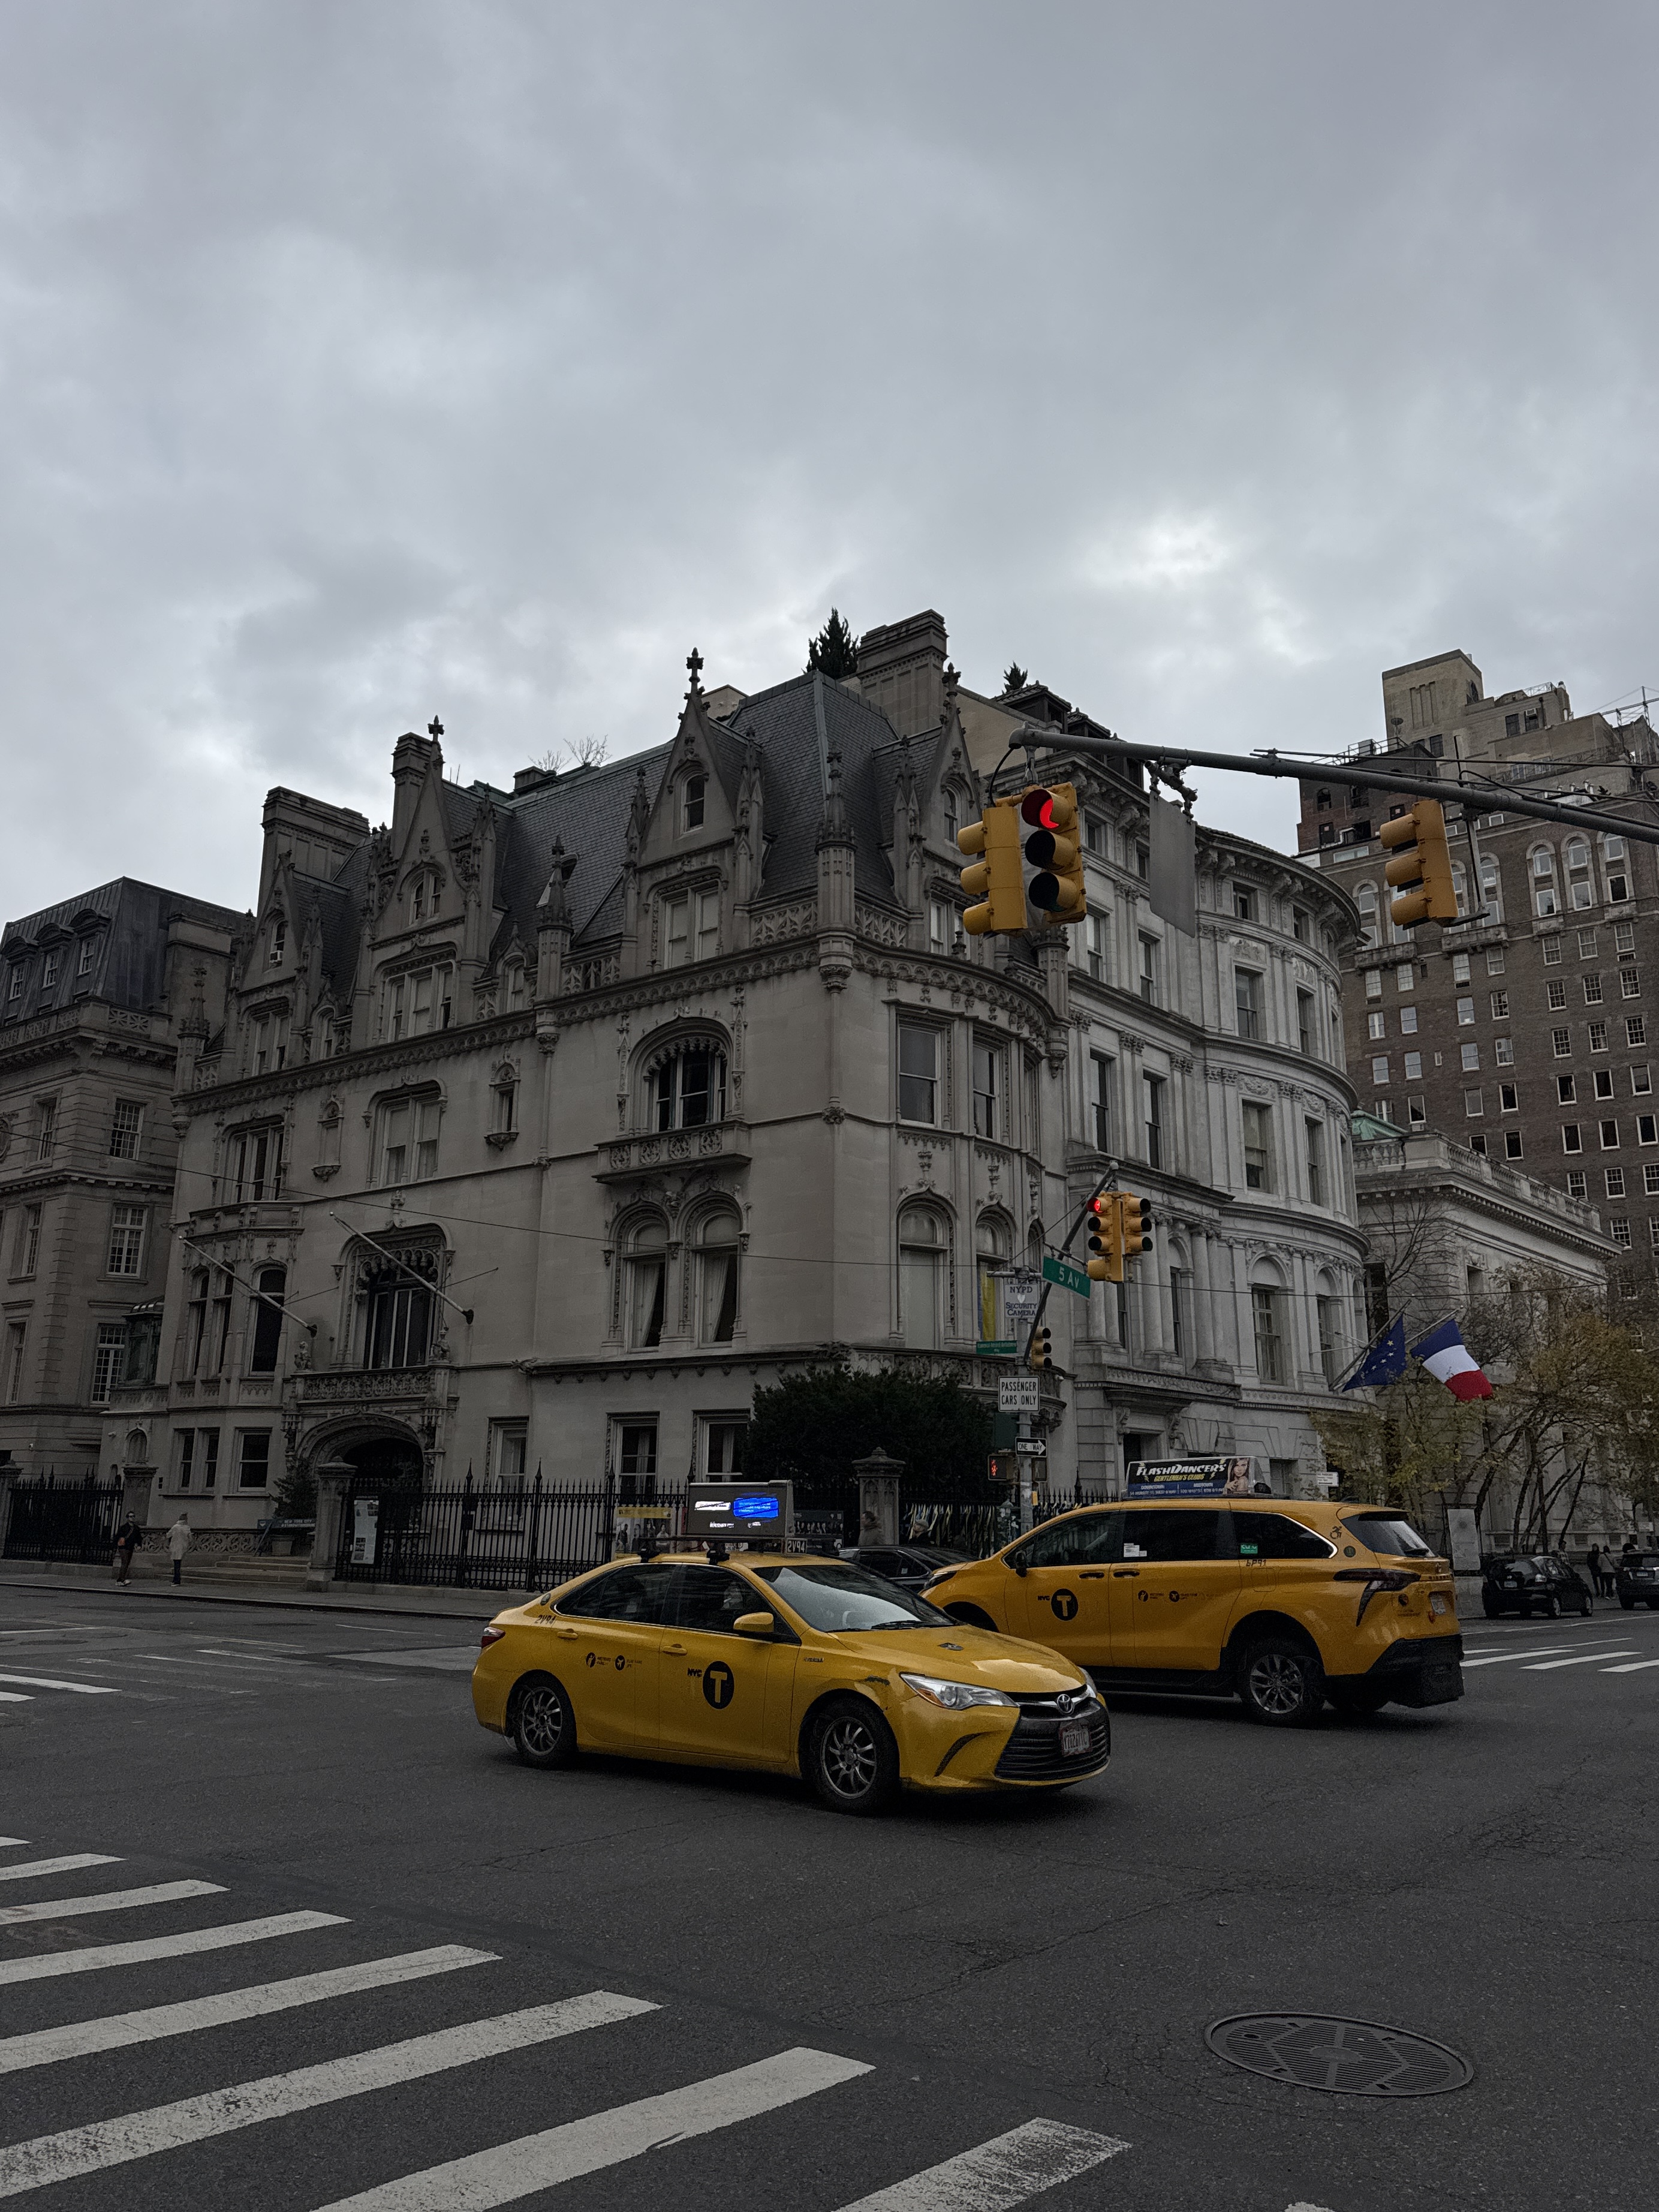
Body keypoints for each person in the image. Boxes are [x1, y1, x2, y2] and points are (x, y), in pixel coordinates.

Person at [113, 1513, 141, 1586]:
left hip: (130, 1547)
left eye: (133, 1516)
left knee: (127, 1564)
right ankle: (121, 1580)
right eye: (131, 1517)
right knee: (125, 1563)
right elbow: (117, 1537)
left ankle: (120, 1580)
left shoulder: (136, 1528)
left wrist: (139, 1545)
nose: (132, 1518)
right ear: (127, 1518)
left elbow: (139, 1538)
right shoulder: (123, 1527)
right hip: (123, 1548)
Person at [167, 1512, 192, 1587]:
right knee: (178, 1564)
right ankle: (177, 1580)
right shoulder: (187, 1528)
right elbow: (190, 1539)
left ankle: (176, 1580)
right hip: (183, 1547)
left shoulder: (175, 1527)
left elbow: (168, 1535)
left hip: (175, 1547)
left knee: (176, 1565)